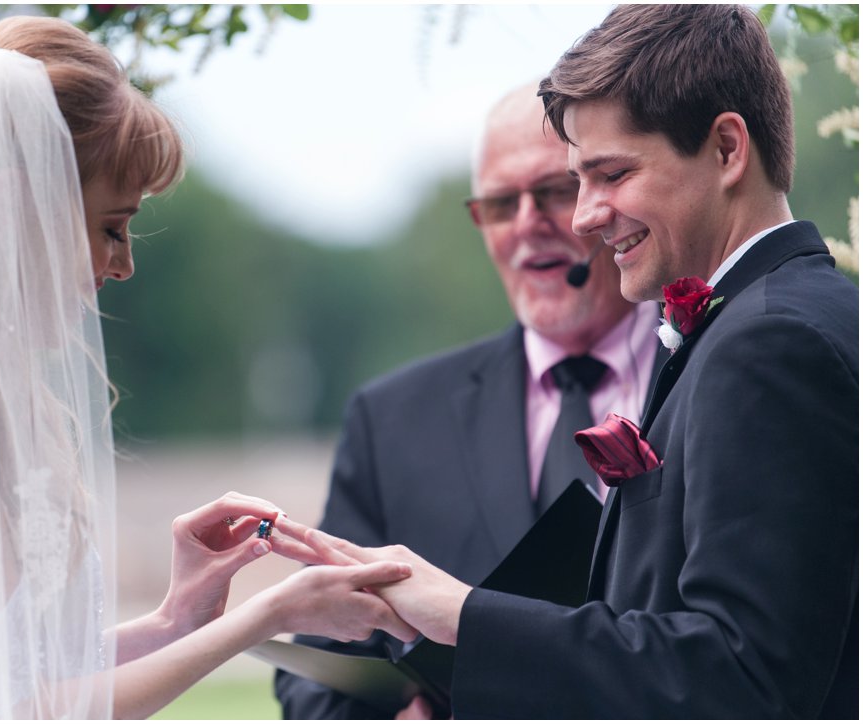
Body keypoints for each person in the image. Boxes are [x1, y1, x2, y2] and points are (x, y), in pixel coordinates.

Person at [0, 18, 416, 720]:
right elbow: (5, 710)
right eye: (112, 227)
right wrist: (264, 618)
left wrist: (174, 621)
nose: (125, 264)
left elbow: (14, 672)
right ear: (13, 203)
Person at [294, 4, 858, 718]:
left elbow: (741, 679)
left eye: (609, 174)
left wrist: (465, 615)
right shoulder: (790, 314)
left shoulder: (769, 345)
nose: (585, 216)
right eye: (577, 180)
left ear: (726, 150)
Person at [276, 82, 667, 719]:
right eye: (498, 203)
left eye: (553, 191)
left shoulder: (715, 369)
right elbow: (317, 669)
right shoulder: (392, 420)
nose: (526, 225)